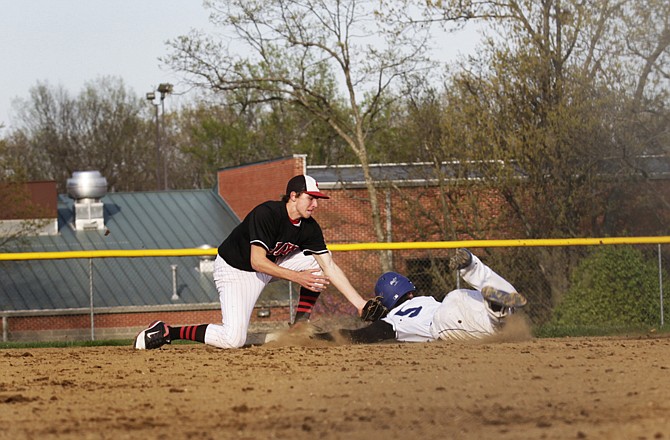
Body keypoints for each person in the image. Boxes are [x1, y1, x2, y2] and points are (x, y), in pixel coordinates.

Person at [134, 174, 386, 350]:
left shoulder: (309, 227)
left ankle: (300, 325)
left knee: (317, 264)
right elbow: (257, 261)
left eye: (317, 198)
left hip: (270, 265)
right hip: (236, 270)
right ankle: (169, 331)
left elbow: (329, 266)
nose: (316, 204)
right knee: (233, 340)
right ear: (293, 196)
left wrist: (360, 304)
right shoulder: (267, 214)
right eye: (311, 198)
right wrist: (298, 277)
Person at [314, 248, 527, 344]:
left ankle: (497, 309)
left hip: (445, 322)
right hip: (458, 301)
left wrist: (319, 338)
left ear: (385, 302)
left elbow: (362, 336)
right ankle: (473, 267)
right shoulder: (426, 300)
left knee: (477, 318)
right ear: (411, 291)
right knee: (485, 297)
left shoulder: (392, 320)